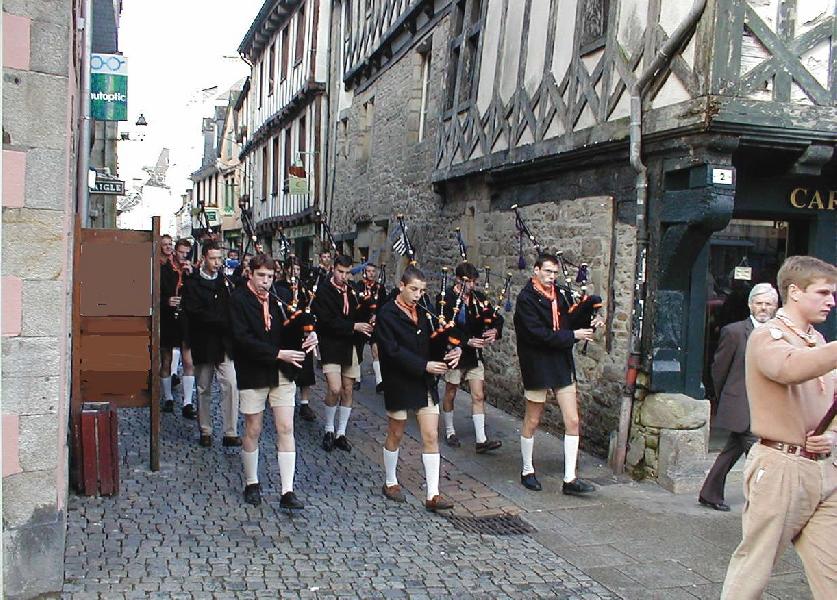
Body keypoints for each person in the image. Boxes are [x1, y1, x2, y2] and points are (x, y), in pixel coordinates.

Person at [721, 256, 837, 600]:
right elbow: (788, 368)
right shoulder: (767, 336)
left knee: (831, 572)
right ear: (795, 292)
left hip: (823, 472)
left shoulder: (818, 339)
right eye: (824, 292)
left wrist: (832, 436)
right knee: (753, 569)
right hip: (780, 468)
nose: (832, 301)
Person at [229, 254, 317, 509]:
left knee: (285, 427)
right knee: (253, 428)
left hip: (282, 371)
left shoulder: (280, 296)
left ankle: (287, 491)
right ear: (250, 274)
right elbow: (241, 339)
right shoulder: (239, 300)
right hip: (254, 370)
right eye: (261, 276)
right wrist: (277, 353)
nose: (265, 282)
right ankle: (251, 481)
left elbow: (300, 320)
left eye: (270, 277)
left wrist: (311, 335)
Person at [513, 252, 603, 494]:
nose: (552, 277)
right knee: (533, 420)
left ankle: (570, 479)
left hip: (560, 362)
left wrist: (591, 317)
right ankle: (527, 470)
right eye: (548, 272)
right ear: (536, 270)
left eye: (555, 272)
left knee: (572, 420)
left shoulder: (559, 295)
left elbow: (569, 320)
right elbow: (537, 334)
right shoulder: (526, 299)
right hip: (538, 363)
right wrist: (573, 336)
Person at [375, 265, 460, 511]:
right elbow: (391, 351)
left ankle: (433, 494)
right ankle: (390, 481)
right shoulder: (387, 314)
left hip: (424, 381)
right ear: (401, 286)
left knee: (431, 435)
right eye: (413, 289)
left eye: (422, 291)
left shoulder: (425, 311)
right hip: (399, 379)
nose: (417, 295)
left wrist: (453, 349)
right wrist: (424, 365)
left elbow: (437, 338)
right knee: (396, 432)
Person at [698, 283, 779, 511]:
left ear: (775, 307)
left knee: (731, 450)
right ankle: (766, 502)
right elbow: (719, 369)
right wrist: (726, 397)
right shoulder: (734, 332)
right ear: (750, 305)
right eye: (759, 303)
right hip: (741, 402)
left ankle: (709, 493)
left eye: (768, 304)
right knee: (758, 453)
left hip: (767, 404)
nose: (763, 308)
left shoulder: (779, 333)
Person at [438, 262, 503, 453]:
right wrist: (466, 341)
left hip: (474, 355)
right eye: (469, 282)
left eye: (474, 282)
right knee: (451, 391)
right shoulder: (446, 298)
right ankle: (450, 431)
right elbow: (445, 327)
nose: (472, 286)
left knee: (478, 394)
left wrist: (495, 331)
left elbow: (496, 318)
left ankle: (481, 440)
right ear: (458, 279)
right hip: (455, 352)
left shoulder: (478, 299)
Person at [181, 241, 240, 448]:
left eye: (219, 258)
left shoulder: (226, 283)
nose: (217, 262)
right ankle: (205, 430)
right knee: (203, 387)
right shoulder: (193, 283)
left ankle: (230, 432)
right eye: (213, 258)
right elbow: (193, 314)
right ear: (204, 258)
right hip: (204, 342)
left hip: (224, 344)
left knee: (231, 384)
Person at [312, 254, 372, 452]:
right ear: (333, 270)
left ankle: (341, 433)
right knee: (335, 388)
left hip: (350, 345)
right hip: (331, 344)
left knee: (348, 389)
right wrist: (354, 325)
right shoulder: (324, 291)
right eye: (340, 272)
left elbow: (359, 315)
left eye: (347, 273)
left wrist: (368, 314)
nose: (344, 276)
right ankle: (329, 428)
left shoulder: (353, 292)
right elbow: (327, 321)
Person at [273, 257, 317, 422]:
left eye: (298, 269)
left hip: (303, 333)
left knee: (306, 367)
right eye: (292, 269)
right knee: (285, 368)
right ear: (286, 270)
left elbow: (310, 309)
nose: (295, 272)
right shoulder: (279, 288)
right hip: (286, 333)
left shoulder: (304, 288)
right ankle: (283, 398)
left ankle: (305, 403)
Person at [160, 237, 196, 419]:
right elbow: (156, 292)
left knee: (188, 361)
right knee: (166, 360)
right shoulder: (165, 269)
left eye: (186, 253)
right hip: (168, 319)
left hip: (185, 320)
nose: (183, 256)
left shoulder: (191, 272)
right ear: (175, 251)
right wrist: (166, 301)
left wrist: (192, 276)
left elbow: (196, 295)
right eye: (181, 252)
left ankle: (188, 402)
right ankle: (168, 398)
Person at [353, 262, 387, 394]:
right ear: (364, 272)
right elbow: (356, 304)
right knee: (358, 351)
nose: (371, 274)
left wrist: (377, 315)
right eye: (369, 271)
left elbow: (383, 304)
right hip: (361, 322)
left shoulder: (380, 288)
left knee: (376, 350)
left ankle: (379, 382)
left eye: (374, 271)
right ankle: (356, 378)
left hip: (375, 323)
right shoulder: (359, 286)